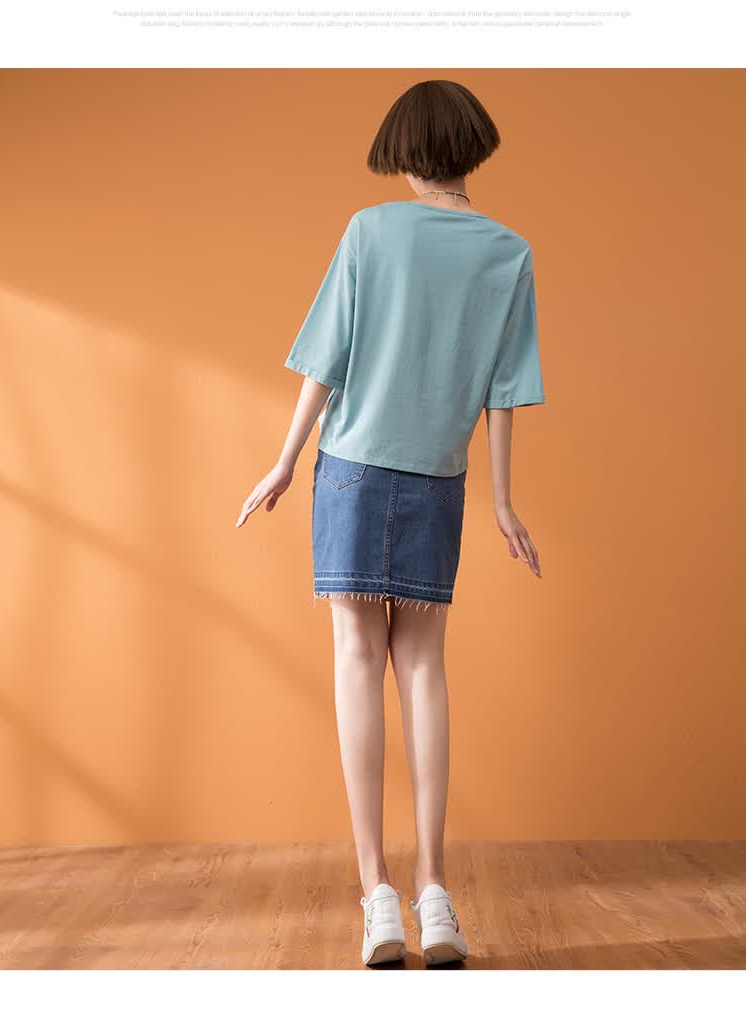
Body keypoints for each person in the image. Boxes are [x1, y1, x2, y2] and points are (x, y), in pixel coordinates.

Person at [236, 79, 546, 966]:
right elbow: (504, 390)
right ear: (473, 149)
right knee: (424, 669)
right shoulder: (509, 252)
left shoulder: (370, 231)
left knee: (356, 661)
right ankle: (435, 893)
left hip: (352, 473)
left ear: (405, 154)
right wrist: (501, 500)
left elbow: (325, 362)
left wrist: (285, 460)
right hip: (439, 479)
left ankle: (377, 895)